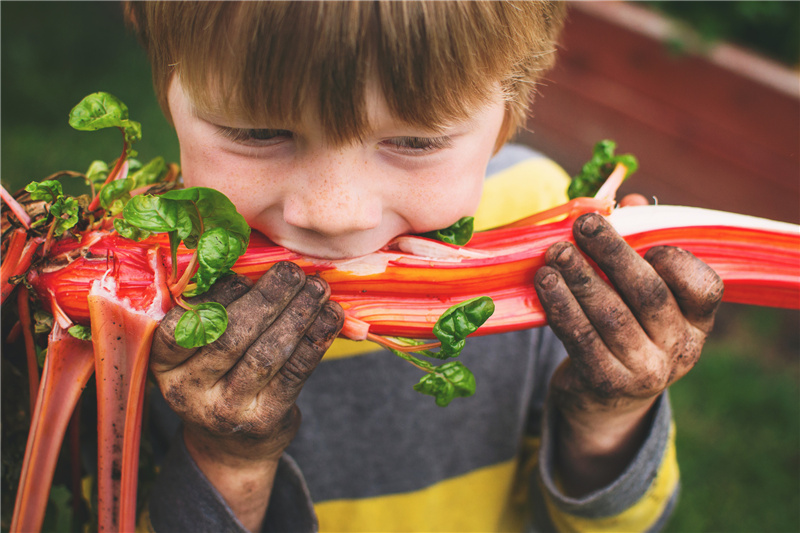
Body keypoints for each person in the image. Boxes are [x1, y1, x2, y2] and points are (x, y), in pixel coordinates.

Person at [124, 2, 724, 532]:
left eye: (414, 142)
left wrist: (609, 418)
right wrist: (226, 461)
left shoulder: (546, 234)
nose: (336, 215)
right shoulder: (136, 289)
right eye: (257, 132)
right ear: (165, 83)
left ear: (508, 111)